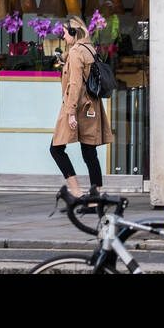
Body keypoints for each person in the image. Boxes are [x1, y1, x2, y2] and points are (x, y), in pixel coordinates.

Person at [50, 14, 113, 199]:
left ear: (73, 32)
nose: (63, 37)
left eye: (64, 33)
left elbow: (76, 84)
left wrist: (70, 113)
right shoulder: (89, 48)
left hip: (77, 106)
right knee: (89, 151)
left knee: (56, 148)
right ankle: (96, 197)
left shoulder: (77, 52)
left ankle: (76, 192)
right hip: (90, 106)